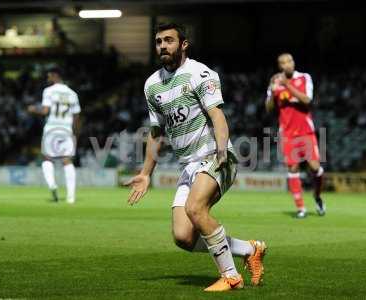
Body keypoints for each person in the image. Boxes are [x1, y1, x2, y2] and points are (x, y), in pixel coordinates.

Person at [125, 23, 267, 292]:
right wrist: (145, 173)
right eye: (158, 42)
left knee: (195, 209)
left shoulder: (200, 73)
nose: (163, 46)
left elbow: (217, 115)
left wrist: (222, 149)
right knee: (183, 237)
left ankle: (230, 276)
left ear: (183, 44)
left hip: (215, 155)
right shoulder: (152, 85)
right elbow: (156, 133)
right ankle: (250, 249)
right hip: (188, 165)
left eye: (168, 40)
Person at [266, 53, 325, 218]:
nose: (288, 64)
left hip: (306, 132)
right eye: (283, 62)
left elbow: (307, 100)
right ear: (280, 66)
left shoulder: (305, 78)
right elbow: (269, 108)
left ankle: (317, 196)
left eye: (290, 61)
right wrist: (272, 91)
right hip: (287, 134)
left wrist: (287, 86)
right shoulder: (275, 81)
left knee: (315, 168)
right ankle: (301, 208)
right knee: (293, 168)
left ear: (293, 62)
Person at [28, 66, 80, 203]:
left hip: (51, 128)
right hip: (66, 129)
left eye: (49, 75)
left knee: (47, 158)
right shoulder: (73, 94)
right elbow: (76, 117)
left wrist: (33, 109)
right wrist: (74, 134)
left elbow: (45, 111)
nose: (48, 78)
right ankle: (71, 196)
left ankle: (52, 184)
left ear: (55, 75)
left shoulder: (49, 91)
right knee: (67, 160)